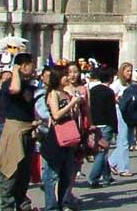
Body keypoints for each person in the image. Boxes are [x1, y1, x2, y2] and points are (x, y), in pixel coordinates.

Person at [0, 54, 38, 211]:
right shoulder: (8, 84)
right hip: (14, 133)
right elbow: (15, 89)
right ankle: (7, 205)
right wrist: (15, 69)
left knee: (24, 174)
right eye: (31, 64)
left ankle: (22, 204)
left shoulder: (29, 86)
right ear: (23, 66)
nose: (33, 67)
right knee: (11, 172)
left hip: (27, 132)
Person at [40, 66, 84, 211]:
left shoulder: (65, 93)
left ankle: (63, 202)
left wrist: (75, 102)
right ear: (58, 78)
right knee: (52, 174)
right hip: (56, 137)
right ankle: (51, 206)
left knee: (67, 173)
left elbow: (72, 114)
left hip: (69, 135)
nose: (68, 77)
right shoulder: (53, 94)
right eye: (65, 75)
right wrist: (71, 103)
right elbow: (56, 115)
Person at [88, 66, 118, 188]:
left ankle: (107, 176)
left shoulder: (92, 90)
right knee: (102, 152)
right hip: (106, 124)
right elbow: (111, 111)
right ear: (111, 79)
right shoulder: (109, 92)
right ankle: (93, 178)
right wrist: (115, 127)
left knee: (101, 151)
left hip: (94, 124)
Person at [109, 62, 135, 175]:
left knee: (129, 140)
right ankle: (123, 168)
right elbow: (110, 97)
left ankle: (110, 162)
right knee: (123, 139)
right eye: (127, 70)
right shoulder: (116, 84)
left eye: (130, 71)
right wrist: (117, 98)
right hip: (119, 111)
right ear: (122, 71)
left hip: (130, 112)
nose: (129, 73)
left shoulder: (131, 84)